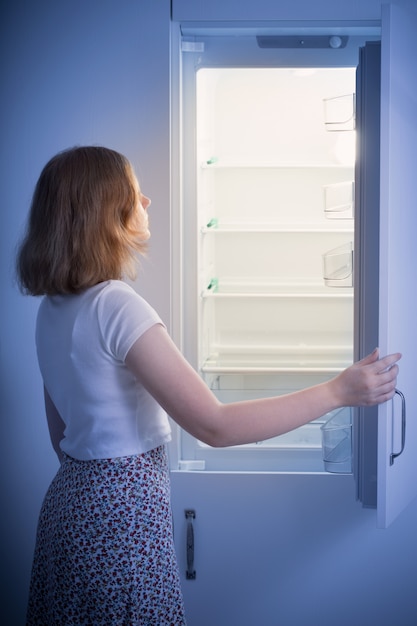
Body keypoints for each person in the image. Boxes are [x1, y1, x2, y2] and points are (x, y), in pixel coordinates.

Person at [17, 146, 401, 625]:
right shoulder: (115, 304)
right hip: (120, 523)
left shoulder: (51, 310)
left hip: (68, 513)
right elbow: (214, 426)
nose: (148, 202)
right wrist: (338, 392)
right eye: (137, 193)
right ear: (108, 211)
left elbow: (62, 440)